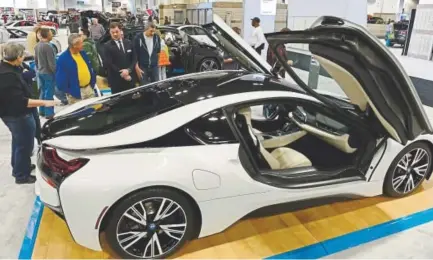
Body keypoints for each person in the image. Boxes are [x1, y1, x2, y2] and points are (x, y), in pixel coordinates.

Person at [0, 43, 59, 184]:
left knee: (18, 141)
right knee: (24, 144)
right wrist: (45, 102)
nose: (24, 57)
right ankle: (21, 175)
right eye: (22, 55)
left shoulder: (11, 68)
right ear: (18, 57)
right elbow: (21, 102)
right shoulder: (7, 75)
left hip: (20, 113)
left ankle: (20, 166)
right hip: (17, 115)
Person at [56, 33, 96, 104]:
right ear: (74, 45)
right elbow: (60, 81)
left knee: (92, 112)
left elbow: (90, 67)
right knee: (81, 114)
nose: (83, 45)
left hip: (89, 89)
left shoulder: (82, 53)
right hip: (76, 94)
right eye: (81, 43)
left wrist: (92, 84)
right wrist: (70, 92)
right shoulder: (63, 59)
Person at [104, 22, 136, 93]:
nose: (115, 34)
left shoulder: (129, 43)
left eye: (116, 32)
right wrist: (122, 73)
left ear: (121, 31)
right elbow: (109, 63)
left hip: (129, 78)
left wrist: (128, 70)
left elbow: (134, 59)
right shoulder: (107, 46)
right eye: (112, 32)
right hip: (116, 80)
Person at [35, 28, 56, 119]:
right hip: (48, 73)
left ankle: (42, 110)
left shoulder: (37, 45)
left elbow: (36, 60)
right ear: (46, 35)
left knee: (43, 92)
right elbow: (51, 63)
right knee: (49, 93)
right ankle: (49, 113)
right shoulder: (48, 46)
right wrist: (55, 72)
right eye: (50, 33)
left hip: (40, 72)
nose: (52, 35)